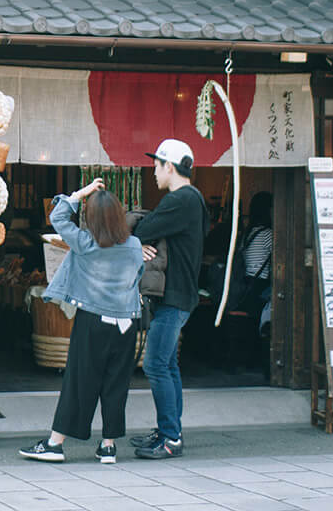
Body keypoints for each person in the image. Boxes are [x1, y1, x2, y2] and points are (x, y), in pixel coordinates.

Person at [19, 178, 143, 464]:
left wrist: (80, 193)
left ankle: (55, 443)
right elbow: (136, 278)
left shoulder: (86, 243)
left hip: (93, 321)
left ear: (91, 218)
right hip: (126, 324)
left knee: (79, 382)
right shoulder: (135, 245)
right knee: (116, 384)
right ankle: (108, 446)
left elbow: (58, 217)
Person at [130, 139, 209, 460]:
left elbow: (142, 228)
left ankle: (170, 438)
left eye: (156, 165)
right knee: (168, 365)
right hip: (180, 294)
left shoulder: (182, 199)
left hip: (175, 295)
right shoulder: (192, 199)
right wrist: (144, 242)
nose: (153, 172)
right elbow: (148, 233)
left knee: (156, 364)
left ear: (169, 167)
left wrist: (143, 239)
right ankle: (169, 429)